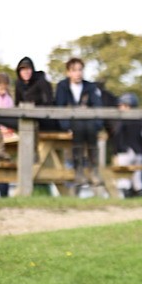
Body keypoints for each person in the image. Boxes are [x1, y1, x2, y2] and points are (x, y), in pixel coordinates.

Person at [55, 57, 105, 187]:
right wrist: (66, 127)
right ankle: (78, 170)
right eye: (74, 70)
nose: (78, 73)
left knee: (88, 127)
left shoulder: (90, 87)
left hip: (89, 125)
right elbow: (59, 109)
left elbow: (98, 107)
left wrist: (98, 125)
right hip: (72, 125)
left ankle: (94, 170)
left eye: (80, 70)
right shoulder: (62, 86)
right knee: (79, 127)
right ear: (68, 72)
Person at [112, 92, 142, 196]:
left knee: (123, 180)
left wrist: (116, 152)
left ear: (128, 106)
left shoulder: (123, 121)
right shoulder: (140, 120)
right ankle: (140, 199)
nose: (120, 108)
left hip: (126, 151)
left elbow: (118, 137)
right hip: (139, 152)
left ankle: (125, 199)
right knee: (137, 181)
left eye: (122, 105)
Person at [14, 56, 59, 131]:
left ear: (32, 69)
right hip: (25, 116)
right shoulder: (18, 84)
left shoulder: (41, 80)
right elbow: (17, 103)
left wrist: (36, 105)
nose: (26, 72)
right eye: (23, 70)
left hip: (44, 117)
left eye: (28, 69)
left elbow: (49, 101)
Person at [0, 73, 11, 197]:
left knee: (4, 162)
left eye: (4, 87)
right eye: (0, 87)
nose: (3, 90)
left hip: (7, 136)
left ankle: (4, 194)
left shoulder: (8, 99)